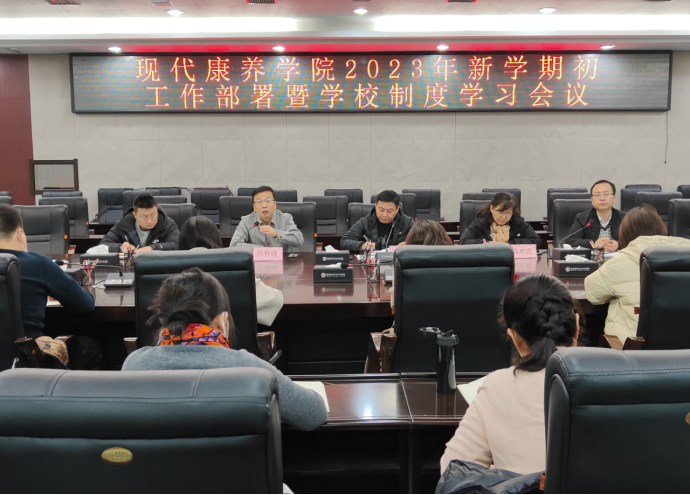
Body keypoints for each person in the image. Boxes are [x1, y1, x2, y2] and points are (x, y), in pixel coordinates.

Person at [122, 267, 327, 431]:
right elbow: (313, 414)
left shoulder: (135, 365)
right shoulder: (249, 369)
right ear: (222, 320)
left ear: (164, 321)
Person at [441, 274, 581, 475]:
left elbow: (452, 470)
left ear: (514, 337)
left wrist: (496, 474)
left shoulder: (497, 387)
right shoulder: (613, 379)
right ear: (576, 326)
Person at [0, 205, 101, 369]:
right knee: (91, 347)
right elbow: (86, 304)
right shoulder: (37, 264)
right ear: (20, 234)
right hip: (29, 361)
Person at [585, 204, 690, 344]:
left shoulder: (620, 261)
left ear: (625, 234)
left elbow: (593, 294)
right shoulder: (685, 252)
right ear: (661, 228)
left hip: (635, 350)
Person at [178, 216, 284, 327]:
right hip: (231, 338)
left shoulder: (169, 271)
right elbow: (275, 301)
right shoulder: (234, 270)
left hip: (179, 338)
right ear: (216, 238)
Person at [230, 186, 303, 253]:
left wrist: (276, 234)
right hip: (256, 262)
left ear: (275, 204)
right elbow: (234, 245)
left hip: (284, 261)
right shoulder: (246, 221)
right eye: (259, 202)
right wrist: (263, 249)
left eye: (268, 201)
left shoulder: (286, 218)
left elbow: (298, 240)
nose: (264, 206)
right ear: (254, 207)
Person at [100, 193, 180, 254]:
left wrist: (152, 248)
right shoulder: (123, 225)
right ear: (135, 215)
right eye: (144, 217)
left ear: (157, 209)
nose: (150, 221)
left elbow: (177, 245)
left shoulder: (168, 224)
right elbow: (103, 244)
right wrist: (121, 246)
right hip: (131, 266)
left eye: (153, 215)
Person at [340, 190, 416, 252]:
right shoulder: (365, 221)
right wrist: (361, 245)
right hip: (371, 262)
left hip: (397, 262)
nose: (384, 215)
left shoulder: (407, 222)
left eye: (389, 211)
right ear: (376, 206)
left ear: (397, 209)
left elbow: (422, 241)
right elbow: (344, 241)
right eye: (381, 210)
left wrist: (409, 245)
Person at [459, 193, 541, 246]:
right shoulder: (480, 222)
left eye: (508, 213)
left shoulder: (517, 222)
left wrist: (509, 244)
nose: (503, 217)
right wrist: (487, 243)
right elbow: (463, 242)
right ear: (492, 208)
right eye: (500, 212)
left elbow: (536, 241)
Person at [565, 180, 626, 251]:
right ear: (592, 200)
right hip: (591, 257)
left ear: (614, 198)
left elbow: (635, 241)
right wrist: (593, 244)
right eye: (597, 195)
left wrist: (619, 244)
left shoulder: (625, 218)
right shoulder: (582, 218)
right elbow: (570, 241)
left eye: (606, 194)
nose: (602, 198)